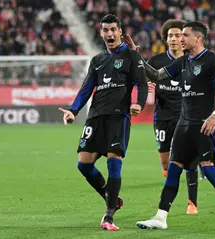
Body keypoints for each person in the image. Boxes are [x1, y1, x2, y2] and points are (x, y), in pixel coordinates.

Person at [134, 21, 215, 229]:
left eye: (185, 35)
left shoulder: (213, 61)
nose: (181, 39)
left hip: (204, 126)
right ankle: (160, 217)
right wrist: (136, 57)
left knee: (209, 171)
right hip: (183, 125)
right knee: (174, 169)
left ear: (198, 38)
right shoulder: (182, 61)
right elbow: (157, 76)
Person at [58, 14, 148, 231]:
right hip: (96, 116)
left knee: (113, 161)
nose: (109, 34)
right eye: (105, 30)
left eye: (113, 30)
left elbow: (142, 83)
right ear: (101, 33)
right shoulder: (97, 60)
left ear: (120, 32)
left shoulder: (131, 56)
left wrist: (139, 104)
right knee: (84, 163)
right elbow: (86, 88)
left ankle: (108, 216)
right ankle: (112, 198)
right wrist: (73, 110)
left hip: (118, 116)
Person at [126, 19, 201, 214]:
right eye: (170, 36)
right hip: (162, 116)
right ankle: (169, 174)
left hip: (185, 117)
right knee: (166, 162)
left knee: (188, 158)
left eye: (178, 35)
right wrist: (136, 56)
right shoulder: (156, 61)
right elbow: (145, 79)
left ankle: (192, 202)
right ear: (165, 39)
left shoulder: (191, 60)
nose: (174, 39)